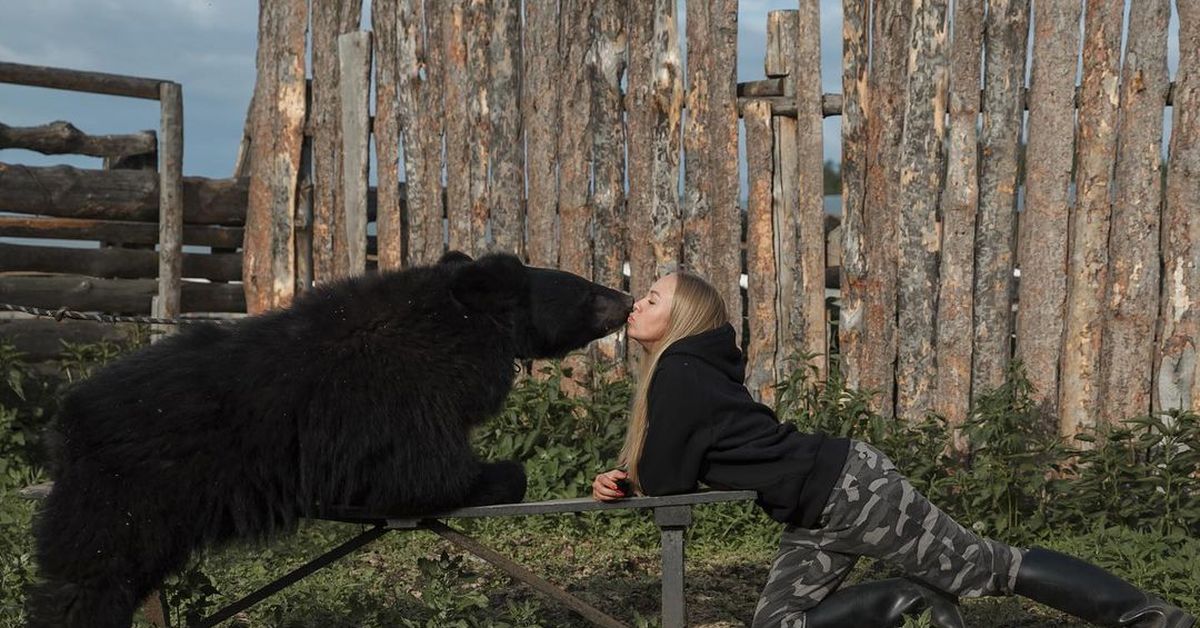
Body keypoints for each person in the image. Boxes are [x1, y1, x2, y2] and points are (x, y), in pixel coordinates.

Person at [592, 271, 1195, 628]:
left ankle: (1155, 619)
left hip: (852, 494)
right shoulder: (689, 372)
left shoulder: (679, 372)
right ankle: (909, 595)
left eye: (653, 296)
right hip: (817, 506)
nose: (639, 303)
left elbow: (669, 481)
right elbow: (684, 454)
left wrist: (631, 478)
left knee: (989, 566)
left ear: (683, 317)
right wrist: (625, 475)